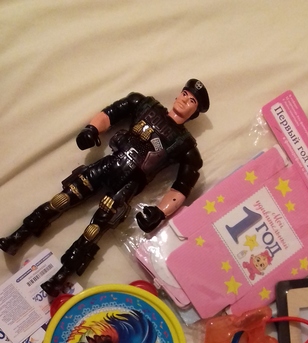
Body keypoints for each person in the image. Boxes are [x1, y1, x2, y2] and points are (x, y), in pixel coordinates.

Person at [0, 79, 210, 296]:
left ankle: (60, 277)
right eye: (185, 94)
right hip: (110, 164)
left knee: (94, 231)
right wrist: (92, 129)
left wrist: (160, 212)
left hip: (129, 185)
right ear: (178, 94)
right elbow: (112, 113)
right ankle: (20, 234)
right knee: (63, 198)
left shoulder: (184, 145)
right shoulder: (145, 105)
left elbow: (183, 185)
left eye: (192, 101)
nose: (185, 100)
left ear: (195, 112)